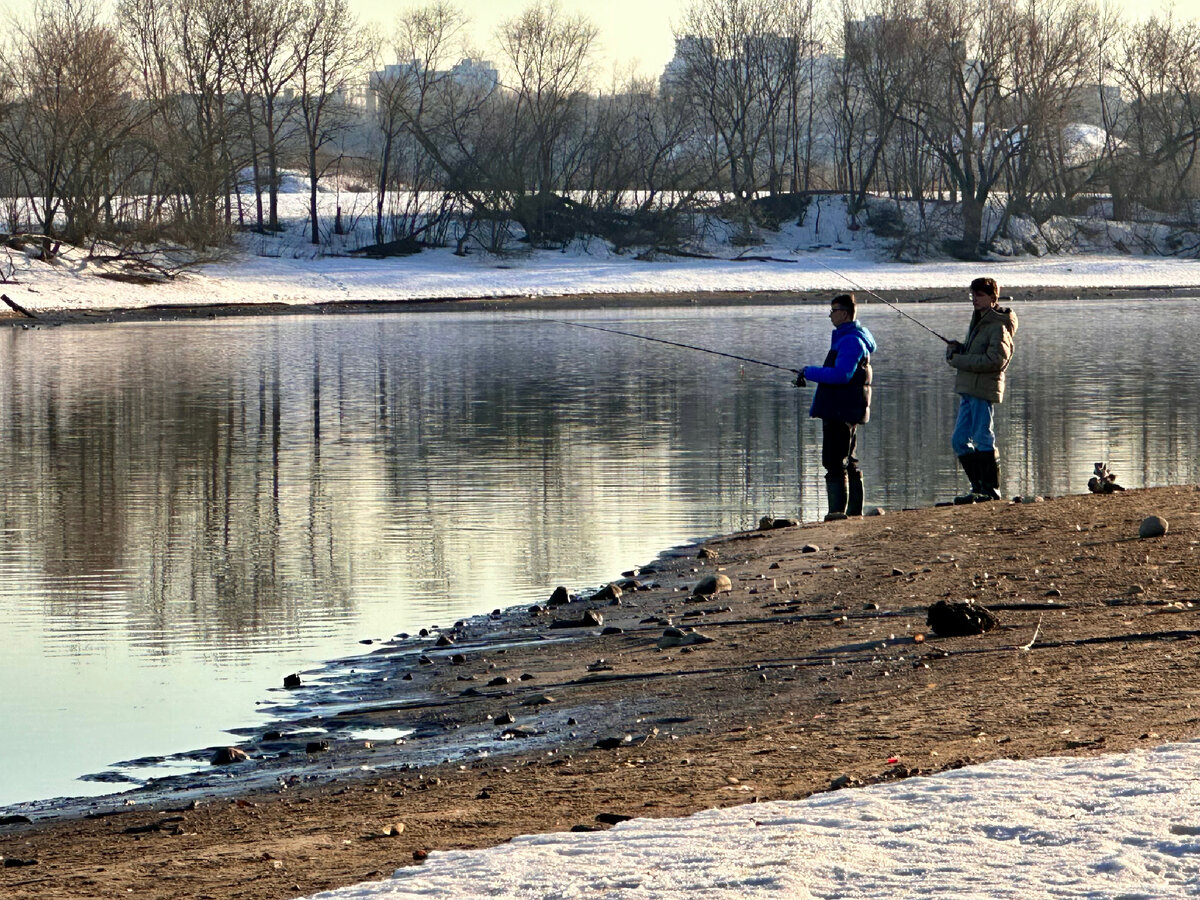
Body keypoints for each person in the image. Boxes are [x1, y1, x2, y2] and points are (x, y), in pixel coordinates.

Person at [796, 294, 877, 521]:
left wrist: (809, 371)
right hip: (845, 407)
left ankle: (838, 513)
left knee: (834, 460)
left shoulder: (851, 340)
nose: (830, 315)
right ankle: (850, 512)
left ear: (843, 313)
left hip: (841, 409)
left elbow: (842, 375)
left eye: (832, 311)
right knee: (847, 458)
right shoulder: (851, 337)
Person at [945, 277, 1018, 503]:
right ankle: (978, 487)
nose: (974, 299)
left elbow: (996, 360)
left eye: (979, 295)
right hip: (969, 389)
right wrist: (961, 349)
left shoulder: (998, 325)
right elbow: (978, 353)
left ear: (993, 297)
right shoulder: (979, 320)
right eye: (973, 295)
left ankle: (991, 490)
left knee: (983, 437)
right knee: (959, 440)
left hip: (983, 390)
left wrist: (959, 360)